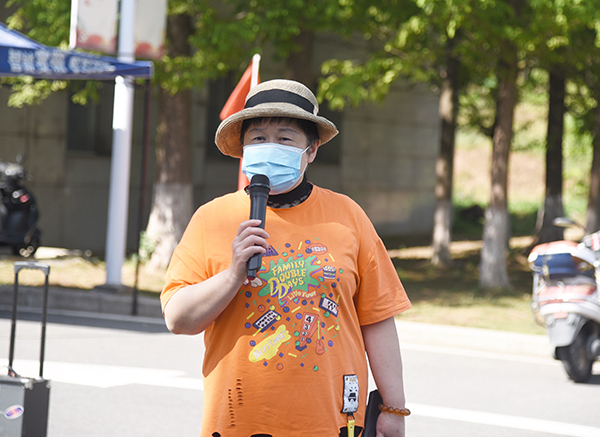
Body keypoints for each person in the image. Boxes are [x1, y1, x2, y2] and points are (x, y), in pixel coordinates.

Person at [161, 79, 412, 437]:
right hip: (237, 422)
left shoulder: (348, 216)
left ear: (311, 150)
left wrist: (393, 409)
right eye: (258, 138)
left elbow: (377, 318)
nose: (270, 147)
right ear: (244, 149)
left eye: (284, 138)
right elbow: (178, 318)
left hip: (333, 423)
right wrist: (232, 274)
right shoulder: (212, 218)